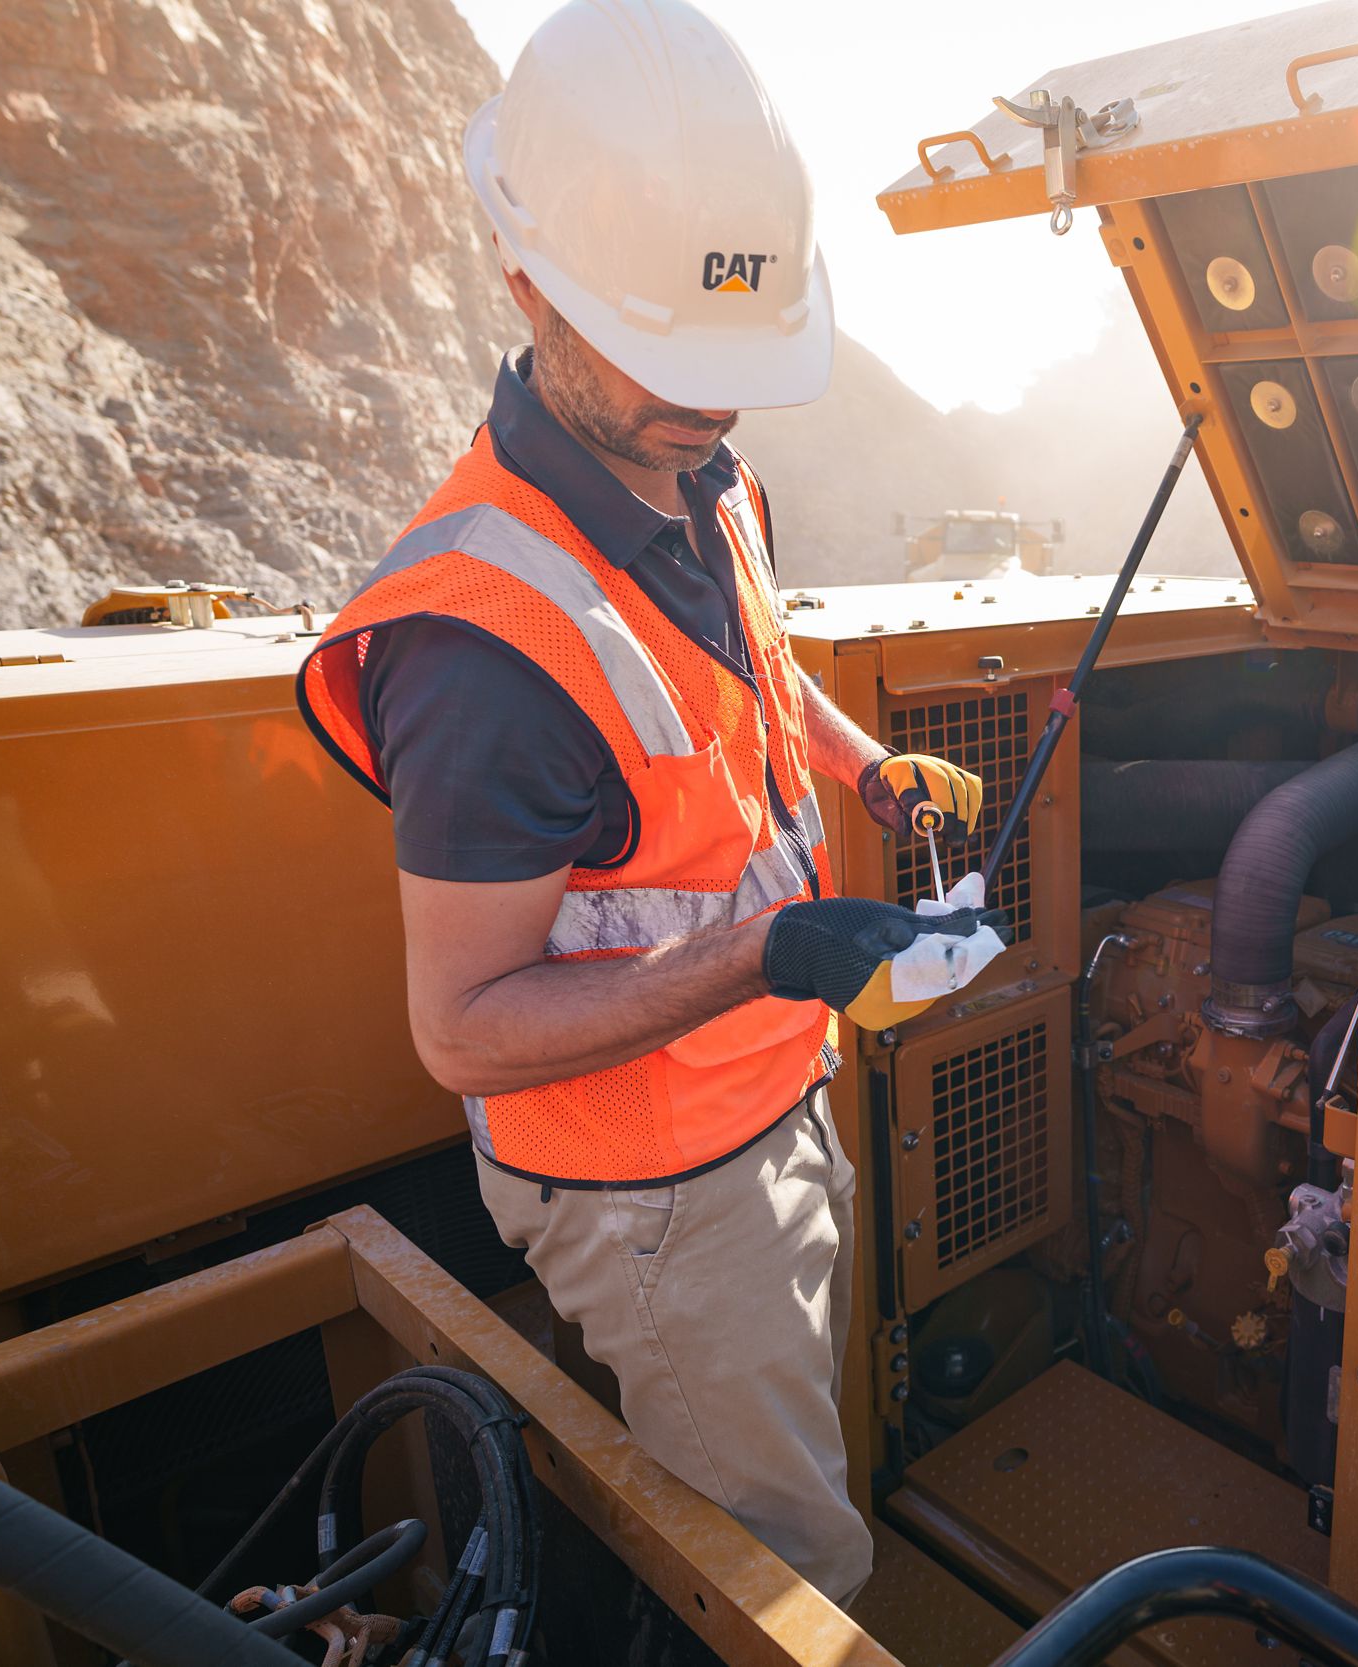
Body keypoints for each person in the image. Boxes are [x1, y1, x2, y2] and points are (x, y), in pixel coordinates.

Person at [295, 0, 989, 1605]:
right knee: (782, 1572)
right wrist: (755, 959)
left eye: (737, 368)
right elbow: (462, 1030)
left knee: (801, 1467)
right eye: (674, 361)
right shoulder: (482, 649)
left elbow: (752, 670)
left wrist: (859, 766)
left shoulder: (699, 474)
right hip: (660, 1196)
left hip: (768, 1093)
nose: (709, 407)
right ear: (526, 279)